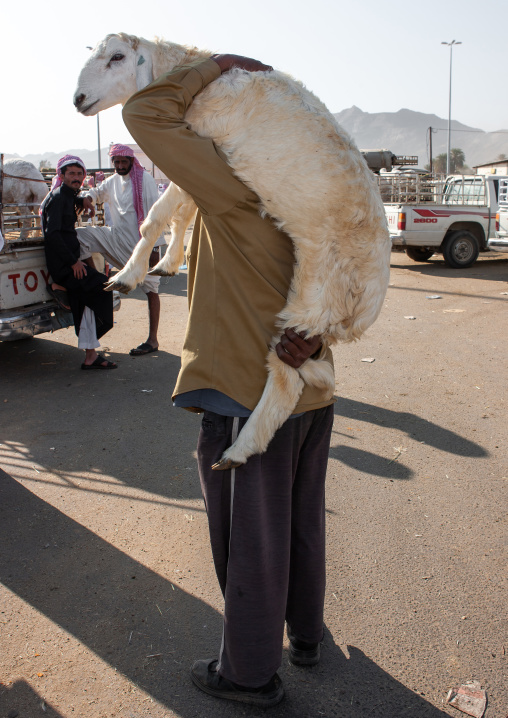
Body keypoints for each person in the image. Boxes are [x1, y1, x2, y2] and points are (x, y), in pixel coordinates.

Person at [121, 55, 336, 708]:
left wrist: (211, 67)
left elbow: (143, 111)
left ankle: (248, 674)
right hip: (311, 389)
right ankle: (303, 639)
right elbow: (348, 265)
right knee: (299, 524)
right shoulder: (314, 183)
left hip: (249, 396)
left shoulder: (230, 180)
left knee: (252, 543)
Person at [76, 144, 164, 356]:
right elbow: (96, 193)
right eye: (116, 162)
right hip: (117, 238)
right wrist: (87, 197)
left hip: (141, 245)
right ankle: (95, 277)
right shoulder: (113, 181)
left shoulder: (145, 180)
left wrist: (155, 248)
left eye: (124, 162)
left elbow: (156, 215)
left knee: (151, 289)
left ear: (131, 161)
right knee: (80, 236)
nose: (120, 166)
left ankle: (153, 340)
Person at [41, 155, 116, 370]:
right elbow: (53, 234)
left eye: (79, 174)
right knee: (103, 287)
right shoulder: (57, 198)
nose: (76, 177)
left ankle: (90, 356)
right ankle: (62, 287)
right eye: (71, 174)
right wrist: (73, 262)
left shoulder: (68, 196)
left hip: (69, 264)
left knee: (85, 306)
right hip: (66, 266)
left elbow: (71, 199)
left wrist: (82, 200)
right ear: (61, 175)